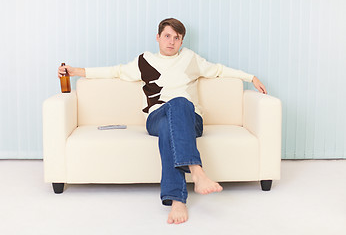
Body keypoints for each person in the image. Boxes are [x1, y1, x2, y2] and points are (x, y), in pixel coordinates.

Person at [58, 18, 267, 224]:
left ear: (182, 42)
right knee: (171, 112)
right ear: (158, 37)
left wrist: (251, 78)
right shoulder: (144, 60)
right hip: (156, 118)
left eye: (177, 38)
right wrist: (75, 71)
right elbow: (115, 71)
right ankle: (196, 172)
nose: (171, 42)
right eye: (167, 36)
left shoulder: (190, 58)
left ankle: (176, 199)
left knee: (179, 106)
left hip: (190, 119)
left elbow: (219, 70)